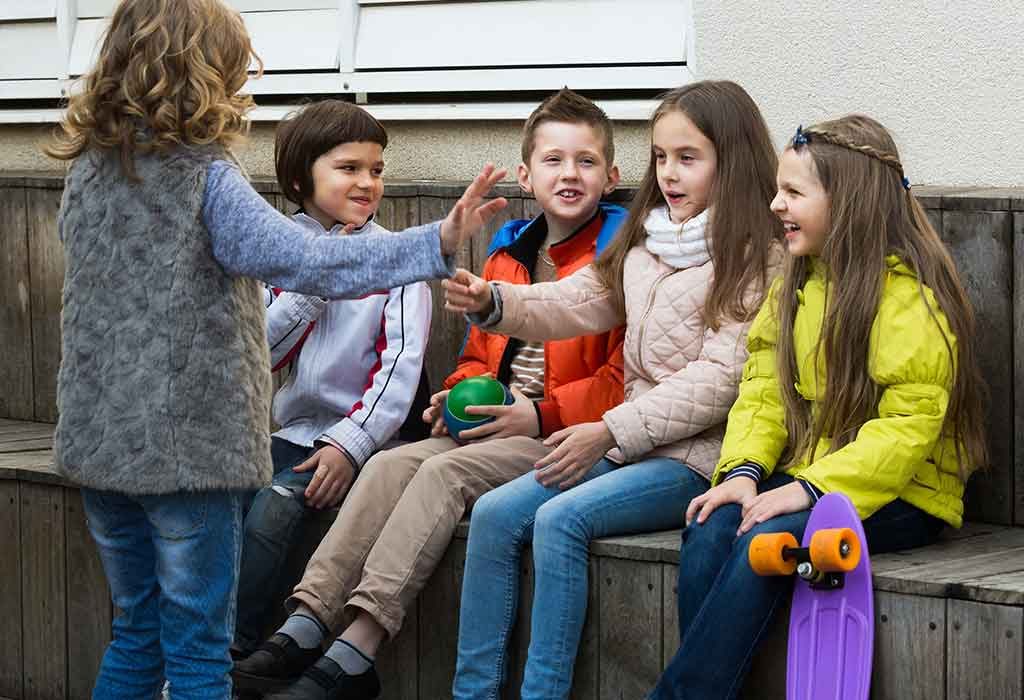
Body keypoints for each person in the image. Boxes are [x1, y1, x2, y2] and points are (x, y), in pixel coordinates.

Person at [45, 1, 505, 697]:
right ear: (206, 72)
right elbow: (310, 263)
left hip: (101, 448)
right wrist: (434, 242)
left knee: (137, 637)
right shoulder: (204, 175)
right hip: (187, 457)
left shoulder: (88, 171)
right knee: (199, 654)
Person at [232, 87, 627, 700]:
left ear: (613, 174)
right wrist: (455, 395)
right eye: (553, 160)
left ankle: (355, 650)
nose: (569, 174)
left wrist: (540, 412)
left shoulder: (618, 261)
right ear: (527, 173)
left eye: (585, 161)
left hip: (560, 436)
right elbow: (477, 359)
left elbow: (621, 378)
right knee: (389, 464)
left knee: (442, 476)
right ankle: (306, 622)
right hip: (494, 425)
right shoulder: (509, 256)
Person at [444, 80, 781, 700]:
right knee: (494, 515)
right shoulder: (648, 240)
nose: (670, 173)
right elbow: (577, 301)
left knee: (561, 519)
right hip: (628, 441)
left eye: (689, 157)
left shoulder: (757, 256)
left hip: (698, 458)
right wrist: (496, 300)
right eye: (660, 157)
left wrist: (609, 429)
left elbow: (719, 380)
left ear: (730, 160)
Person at [649, 115, 987, 700]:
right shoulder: (799, 281)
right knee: (711, 526)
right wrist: (744, 473)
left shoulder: (908, 300)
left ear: (849, 202)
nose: (776, 203)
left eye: (794, 193)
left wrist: (806, 490)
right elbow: (765, 388)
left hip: (904, 493)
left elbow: (905, 433)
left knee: (768, 540)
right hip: (817, 477)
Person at [233, 100, 433, 657]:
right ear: (301, 179)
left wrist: (348, 446)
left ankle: (232, 651)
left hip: (365, 443)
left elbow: (399, 368)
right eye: (349, 169)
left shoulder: (396, 260)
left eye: (377, 169)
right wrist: (313, 283)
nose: (368, 182)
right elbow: (259, 354)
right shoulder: (277, 256)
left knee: (274, 509)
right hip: (287, 433)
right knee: (218, 503)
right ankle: (192, 641)